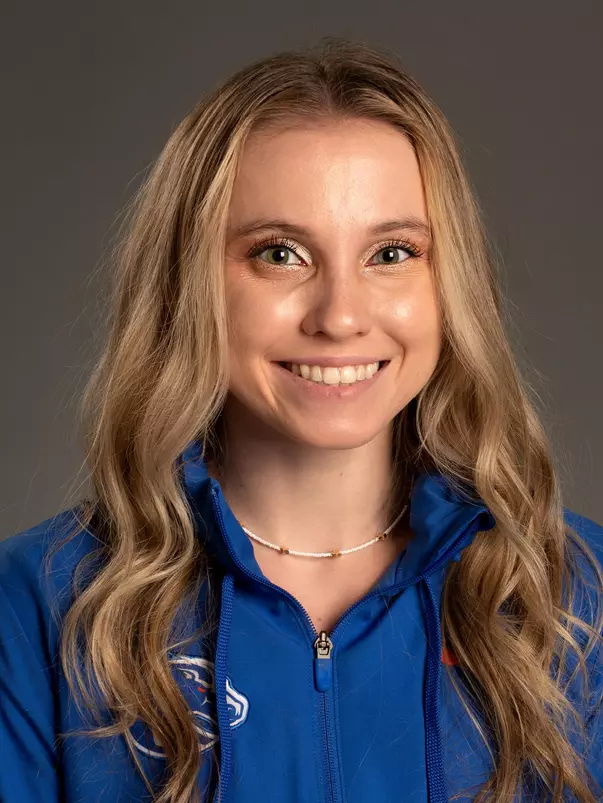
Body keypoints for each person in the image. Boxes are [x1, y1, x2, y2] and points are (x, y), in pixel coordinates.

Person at [0, 36, 601, 803]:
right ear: (190, 284)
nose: (341, 315)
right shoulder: (40, 603)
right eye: (280, 253)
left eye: (391, 253)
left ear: (448, 283)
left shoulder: (576, 597)